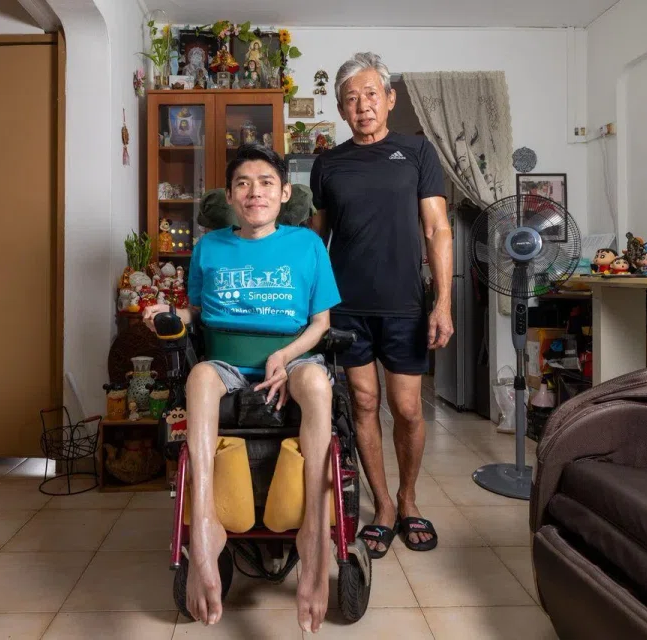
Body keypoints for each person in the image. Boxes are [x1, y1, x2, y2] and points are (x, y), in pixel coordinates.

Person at [143, 144, 341, 634]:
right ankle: (205, 523)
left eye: (266, 183)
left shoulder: (307, 245)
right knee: (199, 376)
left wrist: (288, 355)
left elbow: (320, 322)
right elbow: (197, 310)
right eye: (244, 184)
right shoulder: (209, 247)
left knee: (317, 382)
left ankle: (314, 535)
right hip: (226, 362)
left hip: (291, 360)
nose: (256, 192)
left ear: (284, 192)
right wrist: (169, 316)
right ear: (230, 196)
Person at [309, 52, 454, 558]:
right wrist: (312, 307)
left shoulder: (416, 152)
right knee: (365, 405)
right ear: (342, 111)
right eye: (351, 98)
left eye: (371, 94)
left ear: (389, 99)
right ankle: (385, 506)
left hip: (406, 306)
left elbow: (437, 229)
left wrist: (443, 302)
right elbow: (316, 242)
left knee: (408, 408)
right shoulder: (328, 164)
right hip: (348, 309)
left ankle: (409, 497)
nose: (362, 105)